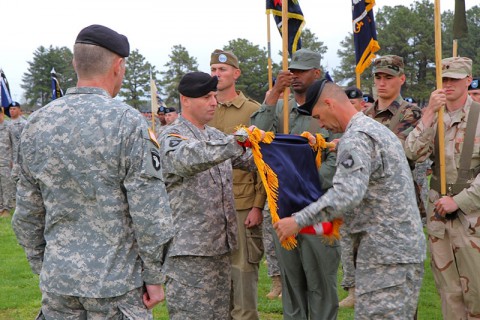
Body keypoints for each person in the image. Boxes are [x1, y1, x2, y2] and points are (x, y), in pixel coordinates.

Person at [11, 24, 174, 319]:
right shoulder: (128, 123)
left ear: (76, 64)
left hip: (59, 282)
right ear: (118, 65)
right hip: (117, 285)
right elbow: (150, 213)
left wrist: (45, 266)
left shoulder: (36, 124)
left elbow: (26, 214)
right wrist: (154, 275)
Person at [274, 79, 426, 320]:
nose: (320, 124)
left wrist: (297, 221)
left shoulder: (357, 138)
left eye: (318, 116)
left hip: (384, 257)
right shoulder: (371, 130)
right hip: (395, 253)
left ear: (328, 103)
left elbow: (347, 194)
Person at [158, 71, 259, 319]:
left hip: (221, 248)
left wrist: (296, 147)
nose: (214, 102)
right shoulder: (171, 137)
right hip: (189, 254)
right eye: (206, 97)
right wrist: (237, 141)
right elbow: (188, 159)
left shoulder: (214, 136)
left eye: (214, 96)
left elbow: (254, 161)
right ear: (185, 100)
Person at [251, 48, 340, 320]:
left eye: (302, 71)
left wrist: (302, 181)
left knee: (321, 282)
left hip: (319, 207)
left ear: (317, 73)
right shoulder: (281, 108)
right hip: (285, 210)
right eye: (292, 71)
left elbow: (337, 158)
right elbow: (256, 133)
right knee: (292, 283)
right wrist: (274, 94)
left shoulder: (328, 108)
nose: (295, 76)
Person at [405, 56, 480, 319]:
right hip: (439, 219)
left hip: (473, 219)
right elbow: (412, 153)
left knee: (477, 294)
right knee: (449, 294)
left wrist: (459, 201)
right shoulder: (435, 117)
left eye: (455, 79)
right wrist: (427, 114)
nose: (448, 84)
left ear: (468, 80)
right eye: (444, 79)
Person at [208, 49, 267, 319]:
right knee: (217, 270)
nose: (216, 74)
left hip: (243, 202)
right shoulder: (205, 108)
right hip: (209, 203)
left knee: (243, 269)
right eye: (213, 70)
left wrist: (258, 206)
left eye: (222, 70)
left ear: (236, 73)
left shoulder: (252, 110)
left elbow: (263, 164)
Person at [7, 101, 27, 183]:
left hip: (21, 159)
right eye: (10, 109)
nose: (12, 111)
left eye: (14, 109)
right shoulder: (6, 124)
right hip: (9, 159)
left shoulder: (24, 124)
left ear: (19, 110)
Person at [0, 107, 14, 218]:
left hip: (6, 162)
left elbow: (15, 144)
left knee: (6, 186)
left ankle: (7, 208)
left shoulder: (9, 127)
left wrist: (14, 160)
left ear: (2, 115)